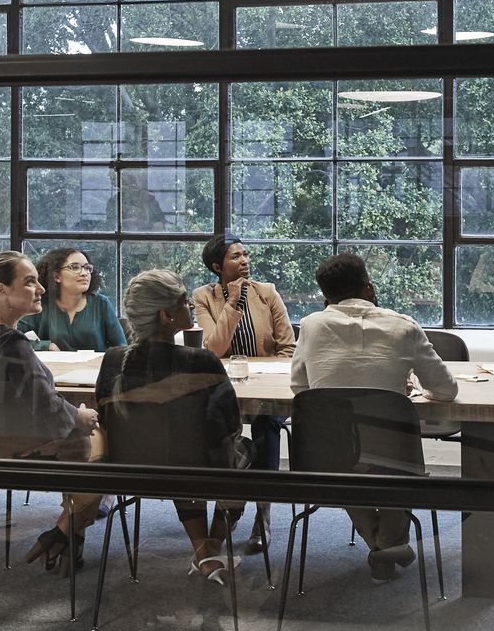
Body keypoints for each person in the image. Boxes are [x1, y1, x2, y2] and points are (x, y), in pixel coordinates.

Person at [290, 252, 457, 584]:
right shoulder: (403, 326)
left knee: (342, 467)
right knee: (395, 472)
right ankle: (388, 547)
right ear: (369, 288)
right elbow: (447, 390)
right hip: (397, 455)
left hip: (331, 455)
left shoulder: (310, 325)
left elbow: (300, 387)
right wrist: (408, 391)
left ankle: (380, 549)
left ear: (326, 299)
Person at [98, 270, 251, 593]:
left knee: (181, 449)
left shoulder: (113, 360)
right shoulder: (202, 360)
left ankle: (203, 552)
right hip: (191, 468)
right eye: (184, 303)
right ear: (166, 316)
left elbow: (104, 417)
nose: (191, 307)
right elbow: (231, 425)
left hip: (128, 470)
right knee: (248, 451)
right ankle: (212, 548)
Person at [0, 250, 102, 575]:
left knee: (79, 443)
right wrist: (82, 416)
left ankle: (69, 543)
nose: (42, 289)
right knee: (103, 444)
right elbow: (47, 408)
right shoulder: (15, 345)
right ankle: (63, 531)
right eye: (30, 282)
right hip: (26, 456)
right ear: (2, 290)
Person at [192, 234, 294, 553]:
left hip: (269, 385)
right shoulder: (203, 296)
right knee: (217, 430)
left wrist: (266, 375)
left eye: (246, 255)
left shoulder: (267, 293)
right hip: (225, 389)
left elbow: (288, 348)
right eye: (236, 257)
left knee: (267, 426)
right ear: (216, 267)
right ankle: (230, 502)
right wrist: (232, 303)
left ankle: (262, 516)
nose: (245, 261)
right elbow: (212, 349)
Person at [17, 248, 127, 353]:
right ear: (56, 276)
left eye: (87, 267)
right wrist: (45, 345)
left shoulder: (101, 303)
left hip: (95, 370)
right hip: (53, 370)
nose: (84, 273)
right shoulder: (40, 305)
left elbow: (121, 347)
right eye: (75, 267)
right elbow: (14, 339)